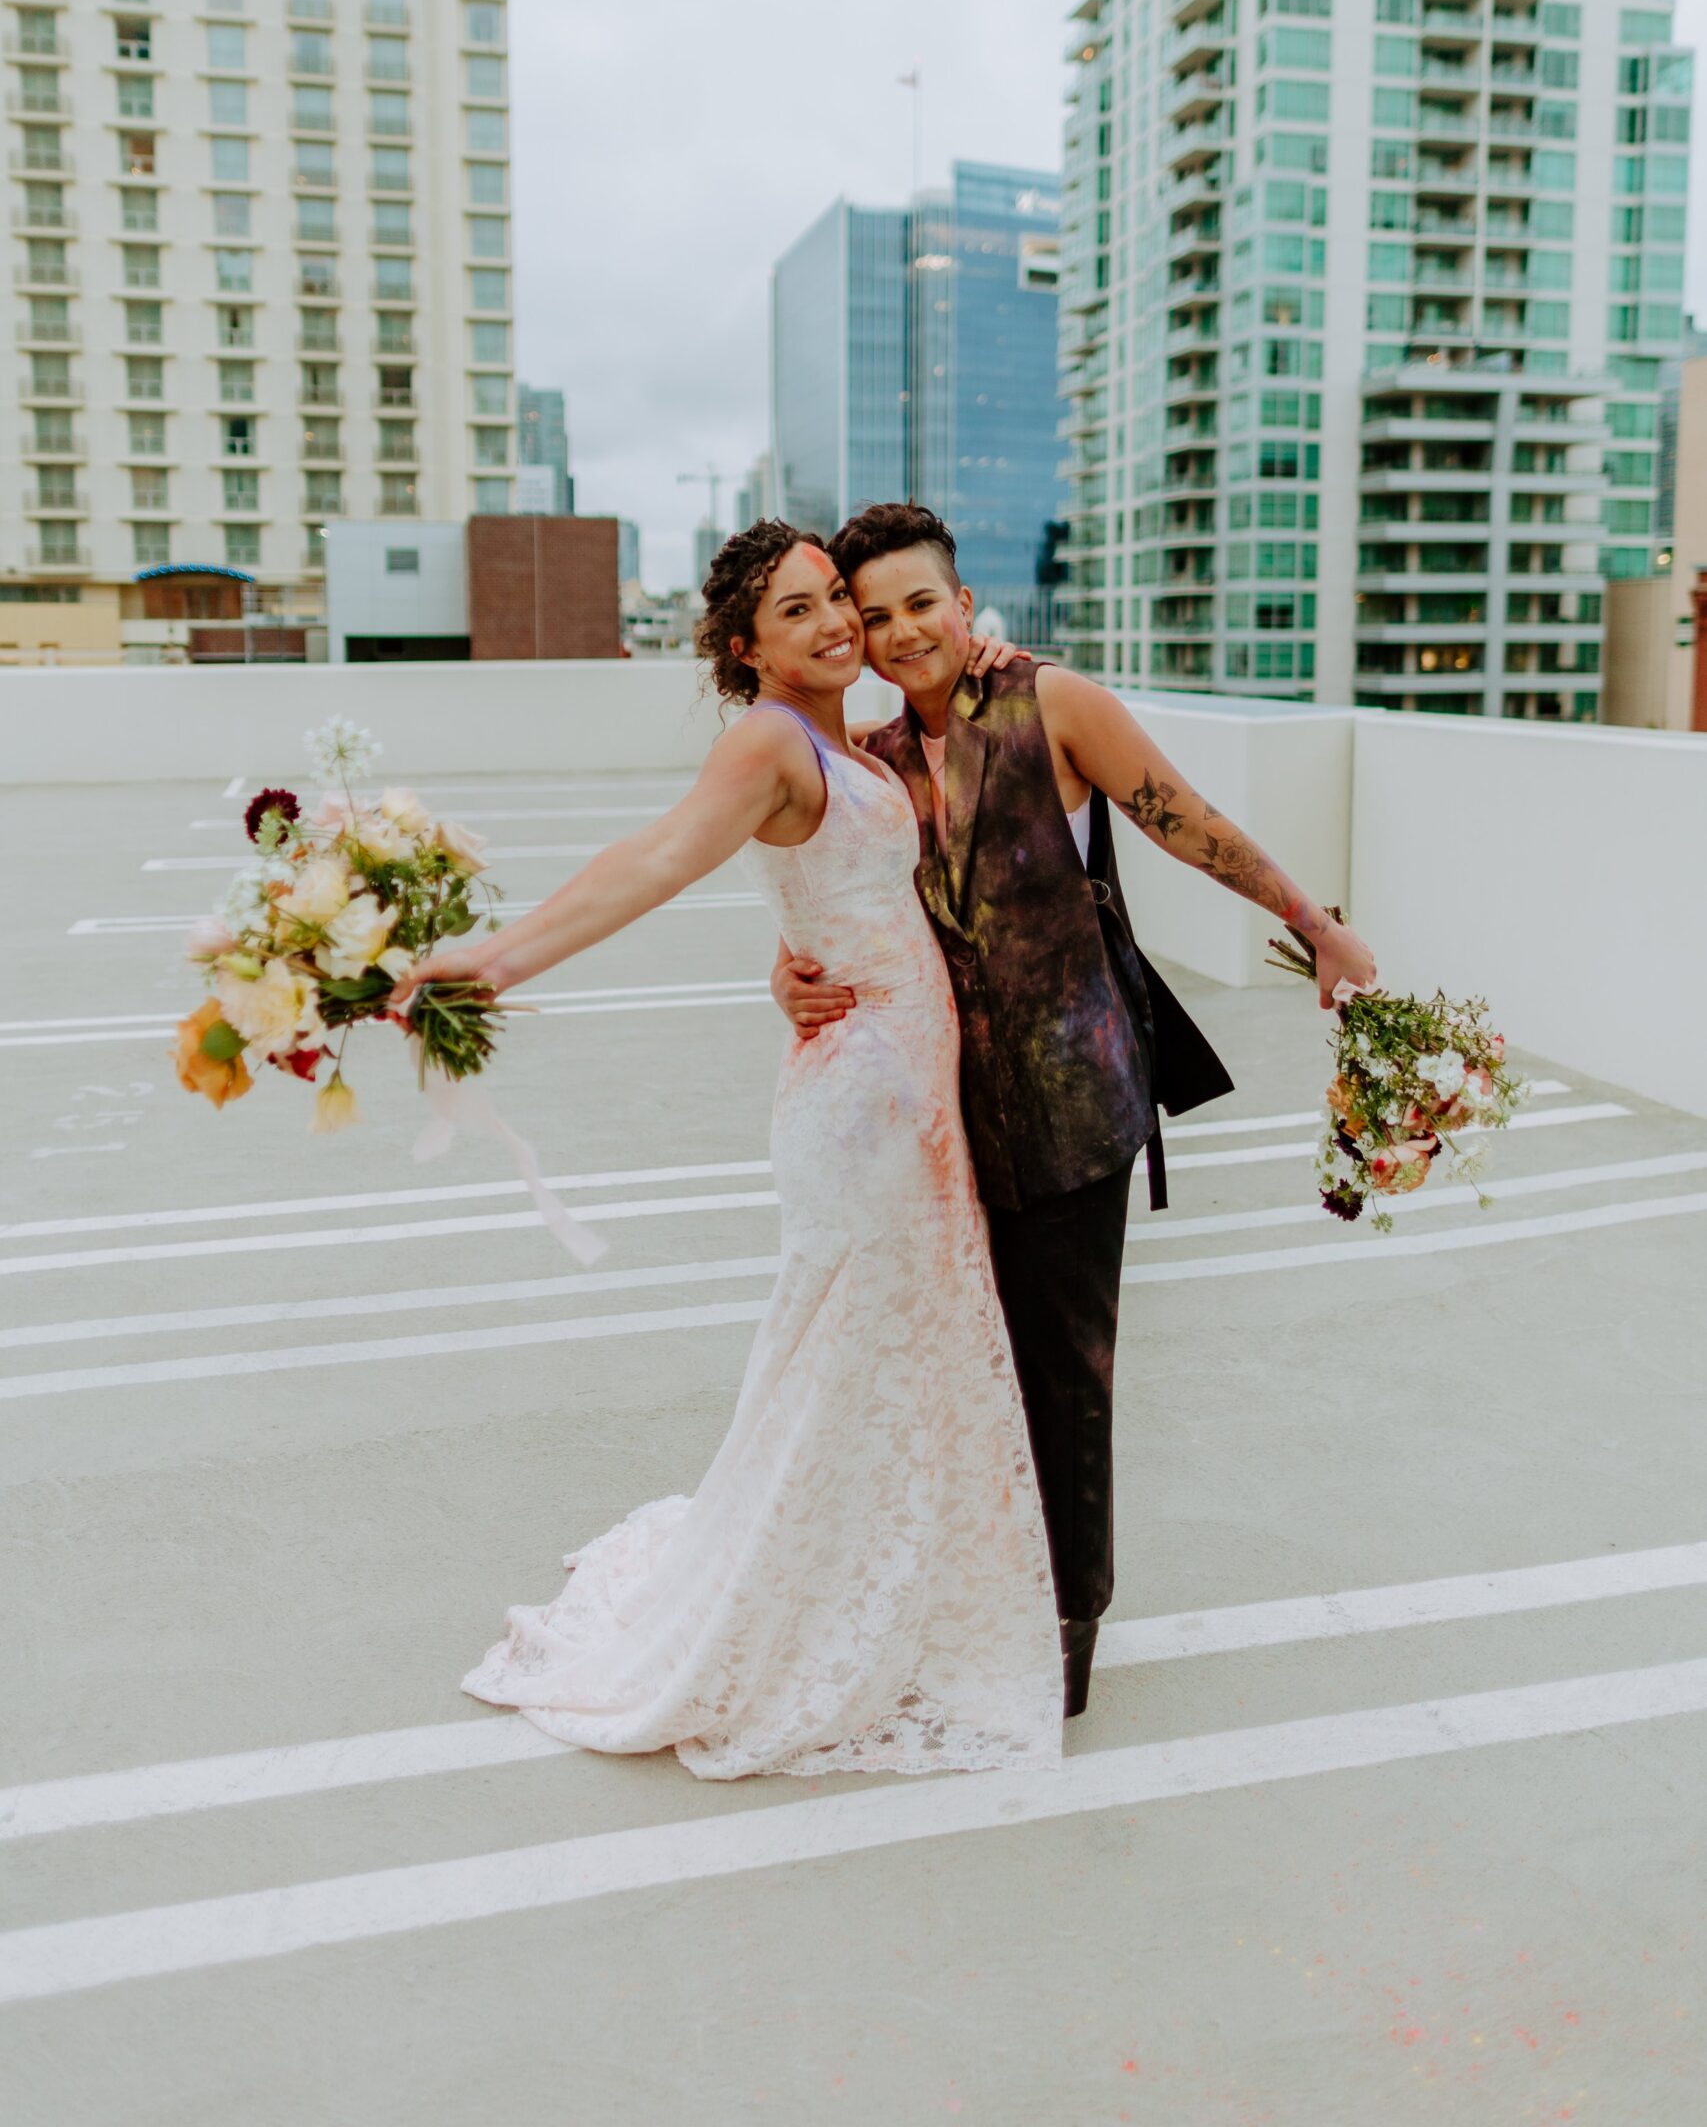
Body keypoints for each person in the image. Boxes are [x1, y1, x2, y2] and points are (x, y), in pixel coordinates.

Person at [390, 521, 1065, 1781]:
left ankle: (880, 1573)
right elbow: (651, 862)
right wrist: (491, 961)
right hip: (861, 1101)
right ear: (743, 645)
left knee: (883, 1350)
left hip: (896, 1083)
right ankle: (813, 1603)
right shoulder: (768, 738)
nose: (832, 627)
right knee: (851, 1351)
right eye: (796, 612)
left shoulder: (840, 740)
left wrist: (991, 664)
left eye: (834, 603)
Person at [771, 501, 1377, 1715]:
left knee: (1068, 1371)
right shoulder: (879, 764)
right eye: (874, 614)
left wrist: (1313, 923)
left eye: (921, 604)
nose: (900, 633)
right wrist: (784, 976)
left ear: (965, 600)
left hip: (1073, 1103)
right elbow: (849, 906)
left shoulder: (1051, 704)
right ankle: (972, 1583)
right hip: (938, 1121)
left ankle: (1069, 1619)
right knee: (966, 1364)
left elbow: (1189, 824)